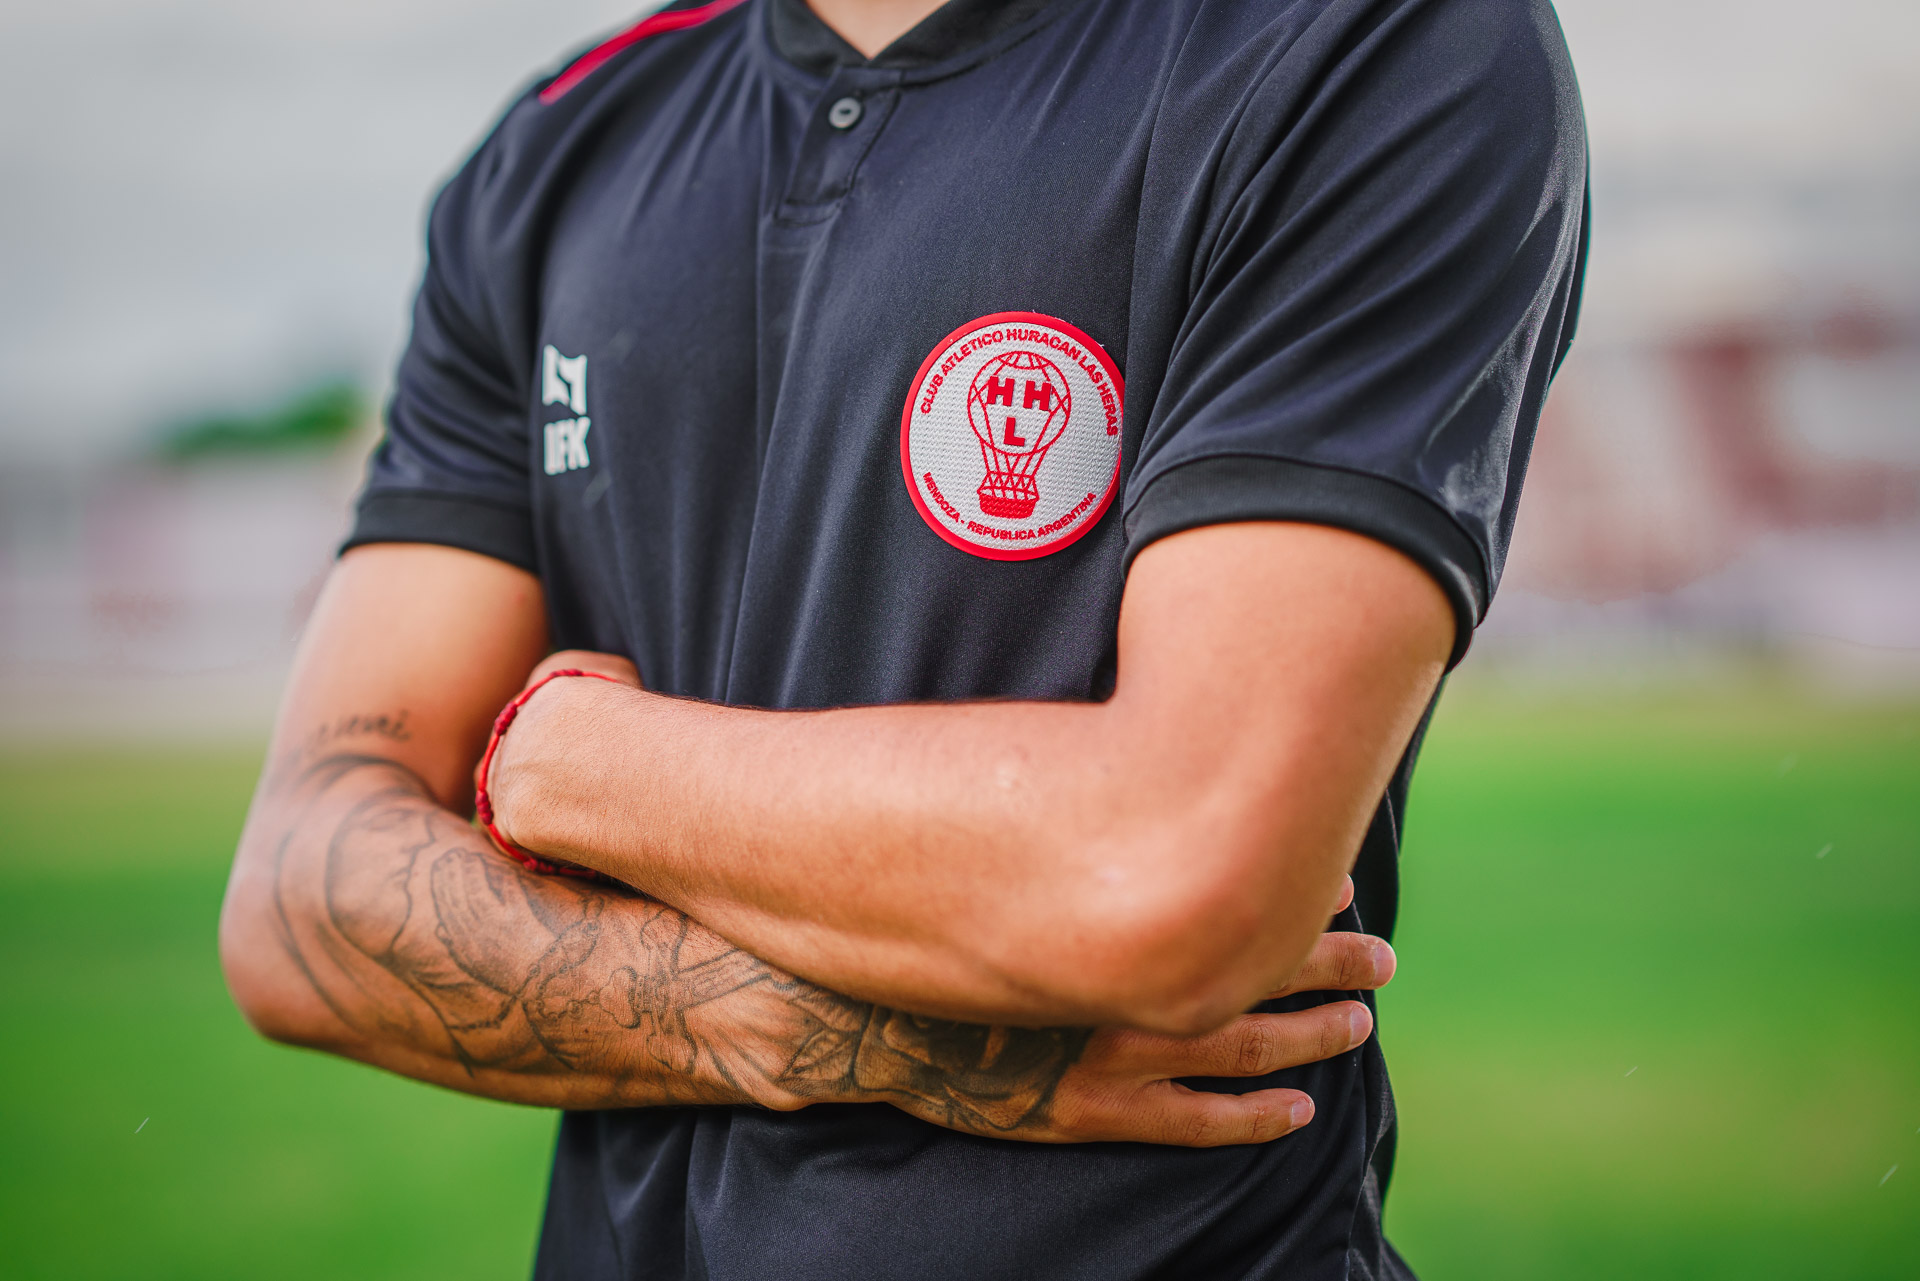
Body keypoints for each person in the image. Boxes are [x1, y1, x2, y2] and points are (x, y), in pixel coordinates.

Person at [218, 0, 1586, 1275]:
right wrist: (822, 1028)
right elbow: (297, 904)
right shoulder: (558, 147)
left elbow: (1178, 868)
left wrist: (572, 761)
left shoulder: (1369, 46)